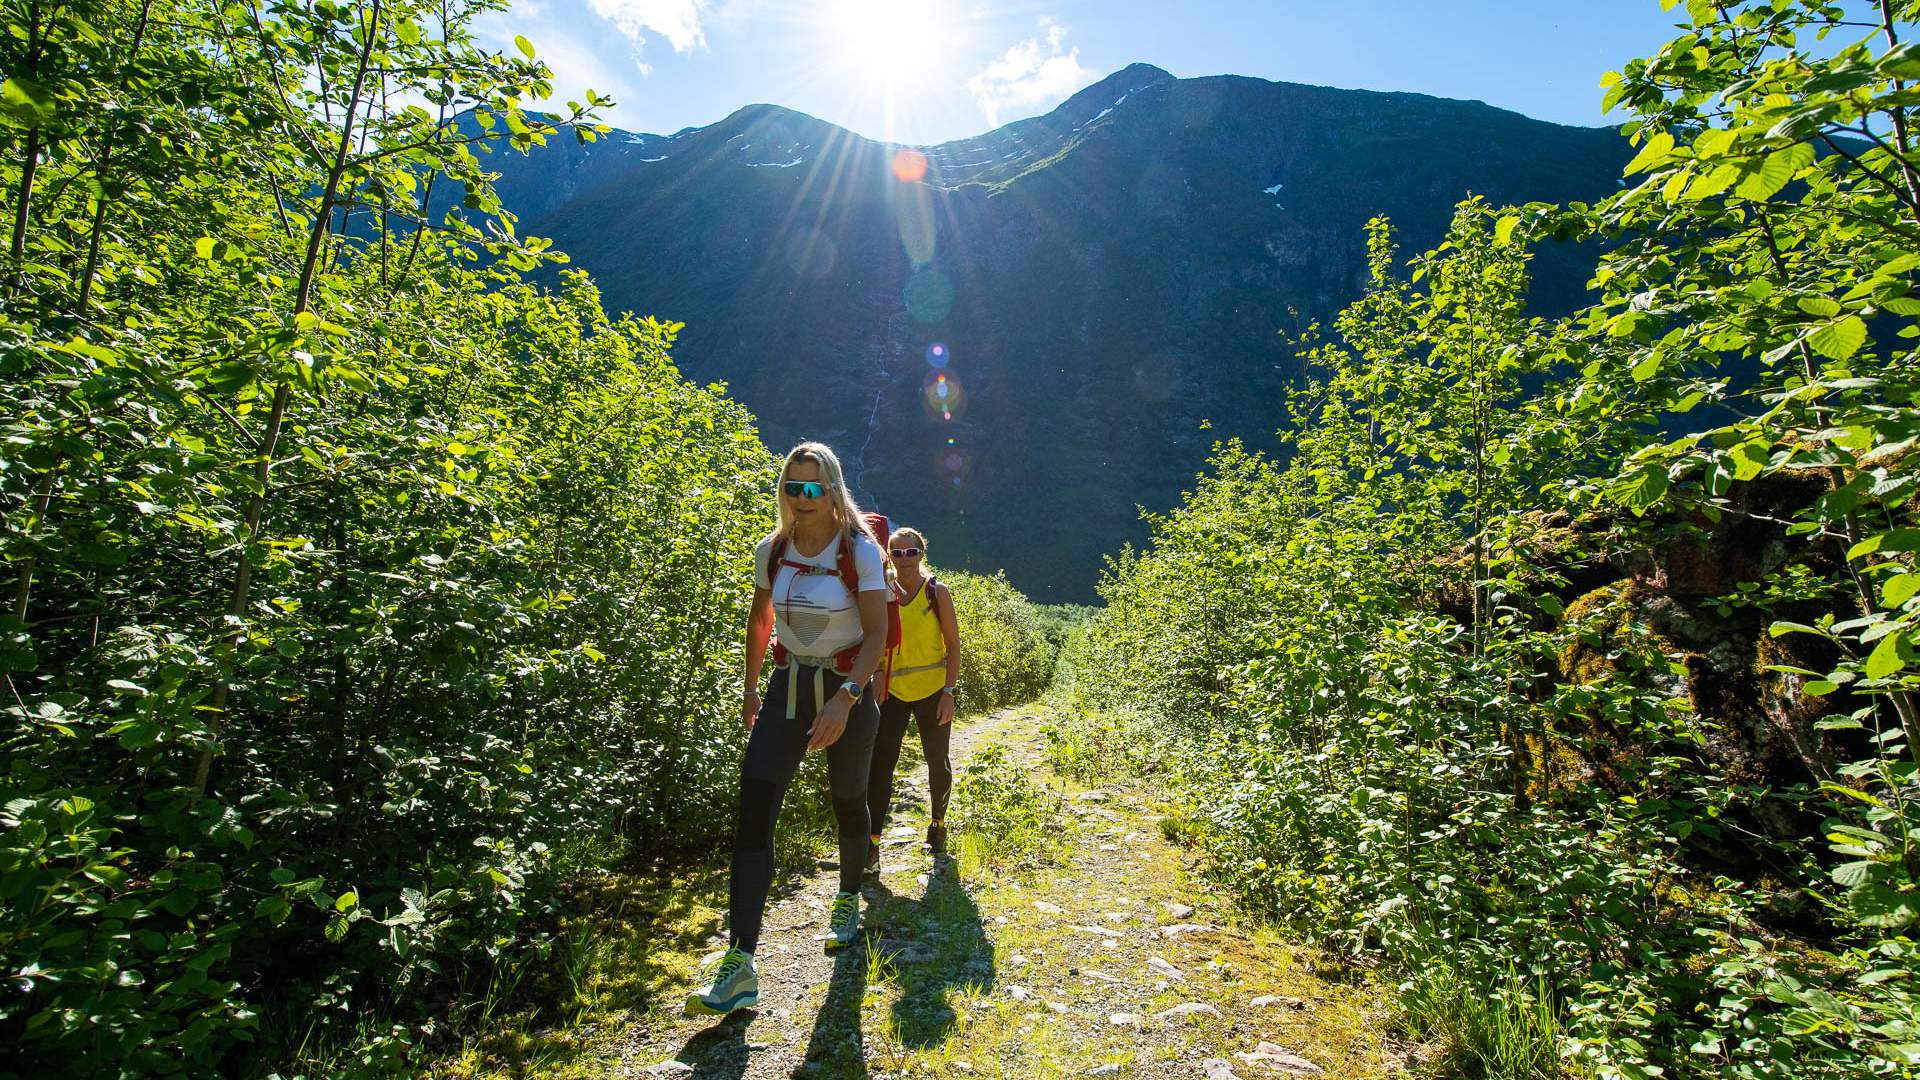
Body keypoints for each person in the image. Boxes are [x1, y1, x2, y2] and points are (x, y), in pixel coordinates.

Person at [686, 443, 890, 1017]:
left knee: (848, 797)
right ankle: (740, 962)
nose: (800, 499)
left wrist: (846, 701)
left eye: (812, 488)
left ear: (833, 491)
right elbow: (760, 620)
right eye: (792, 487)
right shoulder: (772, 550)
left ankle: (848, 895)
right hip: (787, 690)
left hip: (845, 688)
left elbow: (875, 634)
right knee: (755, 798)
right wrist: (751, 688)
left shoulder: (860, 552)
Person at [864, 526, 961, 871]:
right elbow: (871, 635)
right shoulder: (881, 590)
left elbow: (953, 645)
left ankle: (937, 824)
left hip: (933, 691)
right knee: (880, 768)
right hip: (891, 692)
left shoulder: (938, 592)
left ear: (922, 553)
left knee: (938, 762)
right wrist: (876, 672)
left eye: (912, 552)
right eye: (897, 552)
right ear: (888, 555)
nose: (905, 558)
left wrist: (949, 691)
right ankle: (871, 844)